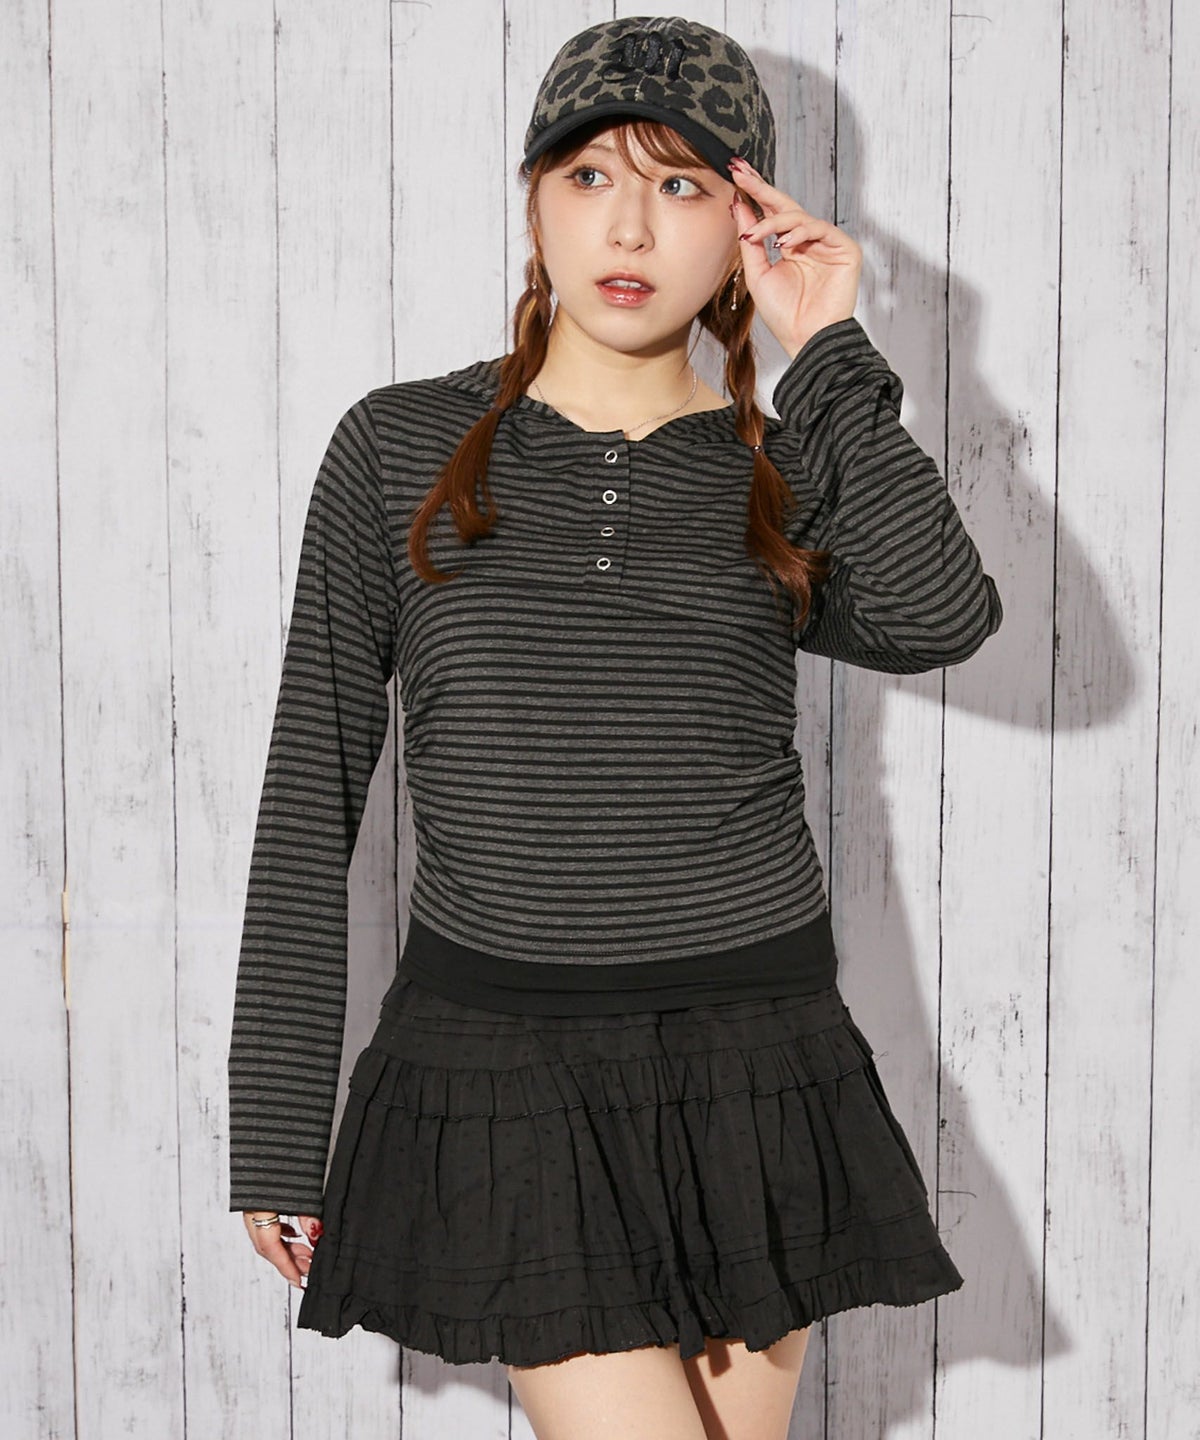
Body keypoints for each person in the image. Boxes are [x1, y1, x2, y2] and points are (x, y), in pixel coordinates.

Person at [227, 14, 1003, 1440]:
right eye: (588, 176)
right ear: (535, 200)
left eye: (683, 184)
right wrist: (276, 1126)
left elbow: (944, 615)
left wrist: (829, 348)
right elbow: (309, 792)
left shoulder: (779, 468)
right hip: (503, 1063)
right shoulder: (395, 448)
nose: (628, 225)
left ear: (747, 222)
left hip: (756, 1059)